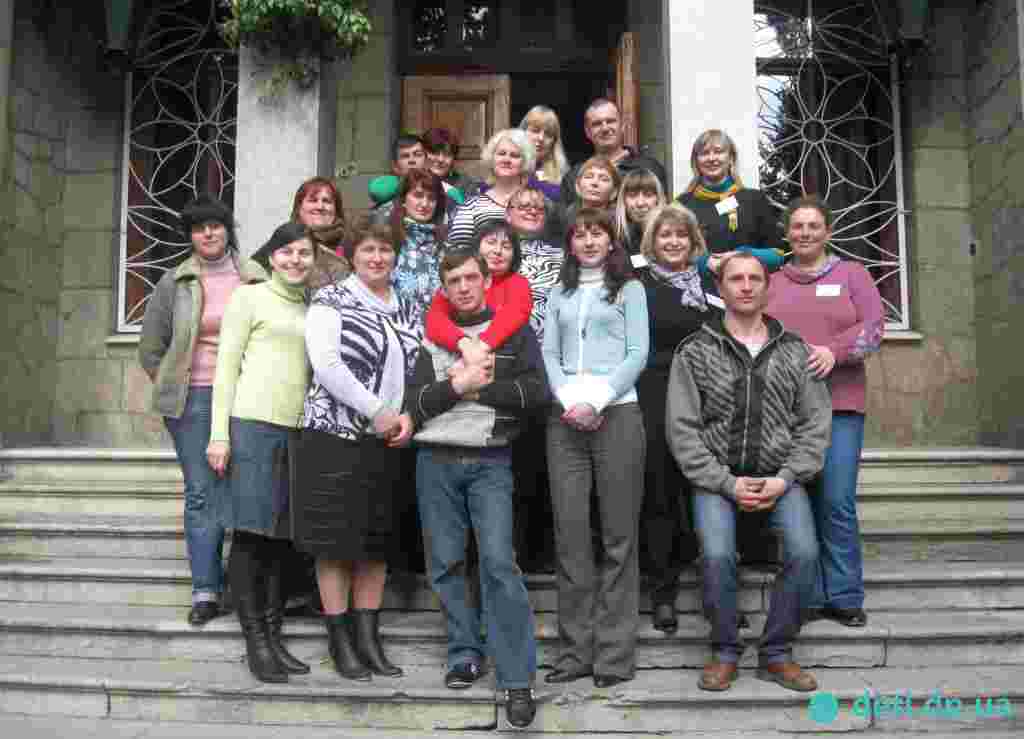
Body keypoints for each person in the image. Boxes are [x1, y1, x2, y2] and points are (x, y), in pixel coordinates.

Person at [666, 251, 831, 693]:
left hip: (780, 476)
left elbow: (815, 424)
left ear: (766, 287)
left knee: (805, 552)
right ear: (720, 288)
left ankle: (776, 652)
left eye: (754, 278)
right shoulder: (696, 350)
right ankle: (724, 650)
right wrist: (725, 482)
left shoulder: (795, 350)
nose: (745, 286)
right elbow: (682, 429)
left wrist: (786, 478)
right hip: (717, 479)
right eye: (735, 278)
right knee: (717, 555)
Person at [410, 249, 549, 728]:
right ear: (444, 288)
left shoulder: (513, 333)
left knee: (498, 562)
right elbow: (415, 402)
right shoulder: (430, 336)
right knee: (446, 562)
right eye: (454, 281)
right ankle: (464, 653)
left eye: (471, 278)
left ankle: (516, 677)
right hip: (434, 459)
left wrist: (477, 389)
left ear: (487, 281)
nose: (464, 287)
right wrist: (455, 387)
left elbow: (536, 393)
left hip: (490, 458)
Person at [291, 220, 421, 682]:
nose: (377, 258)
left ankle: (369, 640)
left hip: (387, 442)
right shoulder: (331, 299)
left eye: (385, 249)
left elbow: (418, 368)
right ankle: (341, 641)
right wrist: (377, 410)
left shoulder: (409, 305)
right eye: (368, 249)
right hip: (334, 437)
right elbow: (327, 365)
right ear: (353, 255)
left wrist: (407, 416)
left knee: (375, 545)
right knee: (335, 545)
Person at [139, 195, 267, 627]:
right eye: (198, 228)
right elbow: (151, 348)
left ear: (228, 229)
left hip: (247, 396)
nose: (208, 233)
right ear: (190, 237)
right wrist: (172, 382)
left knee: (247, 491)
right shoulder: (174, 282)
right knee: (201, 492)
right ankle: (206, 591)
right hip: (193, 399)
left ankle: (248, 587)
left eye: (215, 225)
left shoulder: (255, 277)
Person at [765, 195, 884, 629]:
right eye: (797, 226)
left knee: (836, 500)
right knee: (800, 503)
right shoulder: (773, 281)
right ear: (787, 233)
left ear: (827, 232)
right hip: (787, 413)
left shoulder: (852, 274)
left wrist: (834, 352)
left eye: (813, 226)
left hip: (840, 406)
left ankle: (846, 595)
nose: (805, 233)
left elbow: (874, 327)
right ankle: (810, 595)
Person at [542, 207, 649, 687]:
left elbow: (637, 353)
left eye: (597, 233)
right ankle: (574, 653)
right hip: (565, 420)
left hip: (618, 414)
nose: (588, 241)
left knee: (618, 538)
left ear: (611, 240)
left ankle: (613, 656)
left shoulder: (630, 289)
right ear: (570, 243)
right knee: (571, 537)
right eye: (580, 235)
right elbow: (548, 351)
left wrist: (598, 400)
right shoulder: (559, 291)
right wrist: (570, 400)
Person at [206, 222, 316, 683]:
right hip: (251, 425)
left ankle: (274, 635)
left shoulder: (313, 305)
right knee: (252, 536)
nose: (295, 260)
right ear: (272, 257)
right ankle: (255, 640)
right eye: (287, 252)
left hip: (297, 431)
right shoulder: (248, 298)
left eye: (304, 253)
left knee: (281, 540)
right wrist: (219, 435)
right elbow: (226, 368)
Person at [634, 205, 715, 632]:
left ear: (693, 240)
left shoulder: (711, 283)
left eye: (681, 235)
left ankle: (718, 593)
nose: (673, 242)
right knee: (660, 491)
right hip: (655, 393)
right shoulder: (638, 283)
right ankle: (662, 593)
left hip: (707, 397)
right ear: (652, 240)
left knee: (706, 491)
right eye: (665, 235)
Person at [507, 185, 564, 572]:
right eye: (521, 205)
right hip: (507, 370)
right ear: (507, 213)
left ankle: (541, 552)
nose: (530, 210)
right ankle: (512, 548)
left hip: (551, 371)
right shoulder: (497, 252)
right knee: (510, 464)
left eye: (537, 206)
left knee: (545, 463)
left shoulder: (562, 256)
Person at [675, 129, 785, 294]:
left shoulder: (755, 200)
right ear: (696, 161)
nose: (712, 158)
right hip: (697, 296)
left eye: (718, 151)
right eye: (704, 153)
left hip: (749, 293)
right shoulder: (681, 206)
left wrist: (741, 256)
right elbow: (670, 253)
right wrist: (704, 262)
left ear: (731, 158)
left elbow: (778, 255)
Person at [424, 219, 531, 367]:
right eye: (491, 242)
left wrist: (481, 347)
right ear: (477, 246)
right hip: (457, 357)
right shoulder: (456, 283)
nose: (498, 251)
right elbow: (435, 320)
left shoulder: (518, 283)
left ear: (514, 255)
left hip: (506, 360)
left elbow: (513, 314)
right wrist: (464, 344)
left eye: (506, 246)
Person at [559, 98, 667, 208]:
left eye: (611, 121)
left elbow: (662, 213)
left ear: (622, 125)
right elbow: (566, 216)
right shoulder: (574, 175)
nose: (605, 128)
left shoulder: (649, 168)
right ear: (588, 132)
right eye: (597, 124)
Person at [446, 129, 541, 249]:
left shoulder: (540, 205)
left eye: (515, 156)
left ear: (525, 162)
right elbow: (456, 251)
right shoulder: (471, 207)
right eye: (501, 153)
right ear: (492, 158)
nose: (506, 160)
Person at [389, 169, 449, 327]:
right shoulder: (388, 240)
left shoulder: (445, 246)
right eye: (418, 195)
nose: (424, 204)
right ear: (403, 199)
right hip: (398, 329)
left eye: (431, 198)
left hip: (439, 332)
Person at [368, 133, 461, 223]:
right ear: (395, 166)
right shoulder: (387, 202)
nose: (412, 160)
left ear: (426, 160)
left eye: (417, 154)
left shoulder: (446, 192)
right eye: (405, 156)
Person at [520, 105, 570, 200]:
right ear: (522, 132)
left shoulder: (561, 173)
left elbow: (563, 196)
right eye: (535, 131)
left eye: (548, 134)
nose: (541, 138)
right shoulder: (507, 163)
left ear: (553, 142)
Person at [615, 168, 666, 259]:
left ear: (658, 199)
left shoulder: (672, 235)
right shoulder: (613, 236)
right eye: (632, 195)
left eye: (648, 195)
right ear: (623, 200)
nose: (640, 203)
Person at [423, 126, 482, 203]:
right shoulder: (411, 181)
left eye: (447, 154)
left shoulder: (466, 185)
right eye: (434, 153)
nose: (441, 159)